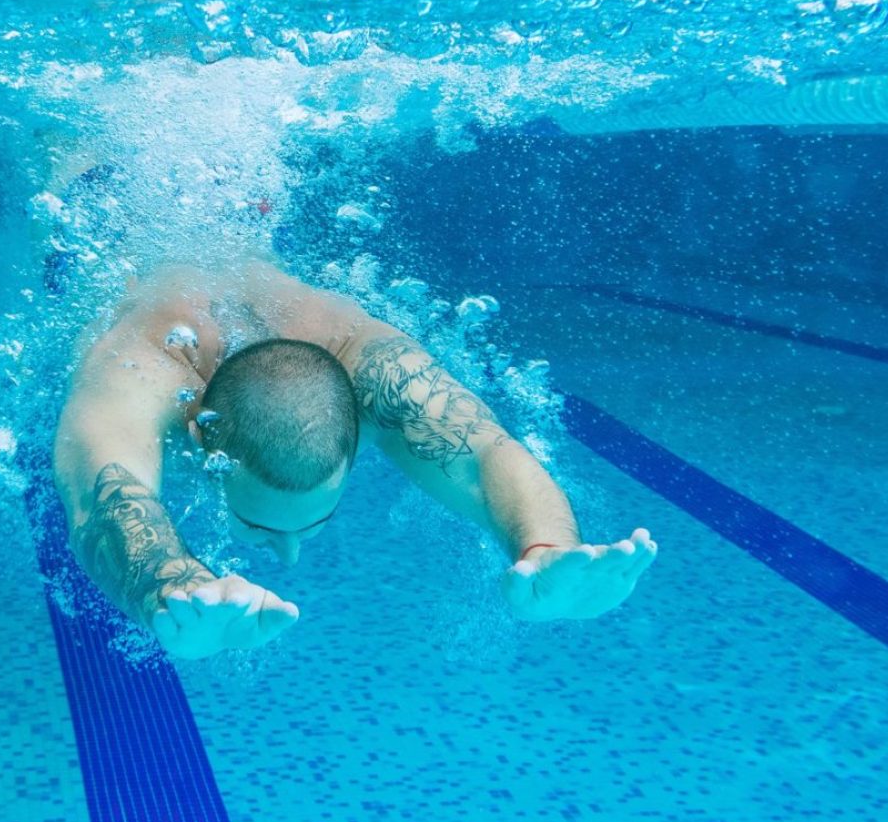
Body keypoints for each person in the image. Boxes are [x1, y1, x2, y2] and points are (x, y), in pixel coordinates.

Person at [53, 258, 656, 658]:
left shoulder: (366, 361)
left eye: (314, 522)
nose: (289, 555)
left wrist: (545, 547)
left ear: (362, 425)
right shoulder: (140, 366)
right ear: (198, 437)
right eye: (258, 525)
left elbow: (480, 450)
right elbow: (104, 497)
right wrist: (172, 587)